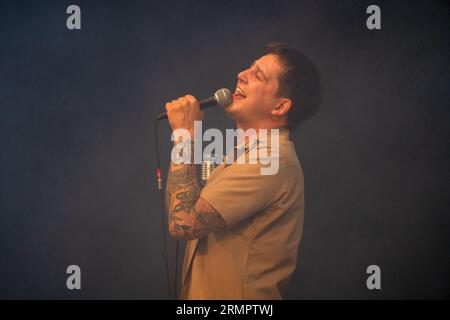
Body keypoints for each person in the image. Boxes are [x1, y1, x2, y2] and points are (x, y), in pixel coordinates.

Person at [164, 42, 322, 299]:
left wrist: (184, 135)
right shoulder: (248, 155)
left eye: (257, 75)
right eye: (249, 68)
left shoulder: (270, 161)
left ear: (280, 107)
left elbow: (182, 223)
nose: (241, 75)